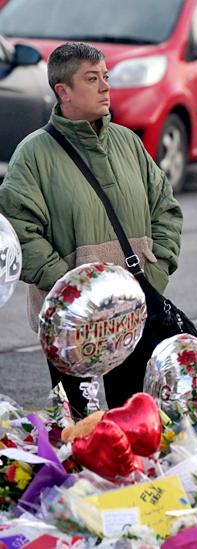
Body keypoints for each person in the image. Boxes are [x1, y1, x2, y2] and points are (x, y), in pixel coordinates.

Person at [0, 42, 183, 417]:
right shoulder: (33, 155)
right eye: (91, 79)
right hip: (75, 326)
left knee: (139, 420)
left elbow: (166, 209)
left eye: (106, 77)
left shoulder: (128, 143)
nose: (105, 87)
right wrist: (73, 295)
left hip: (135, 311)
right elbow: (20, 231)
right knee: (83, 429)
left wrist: (156, 272)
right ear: (62, 91)